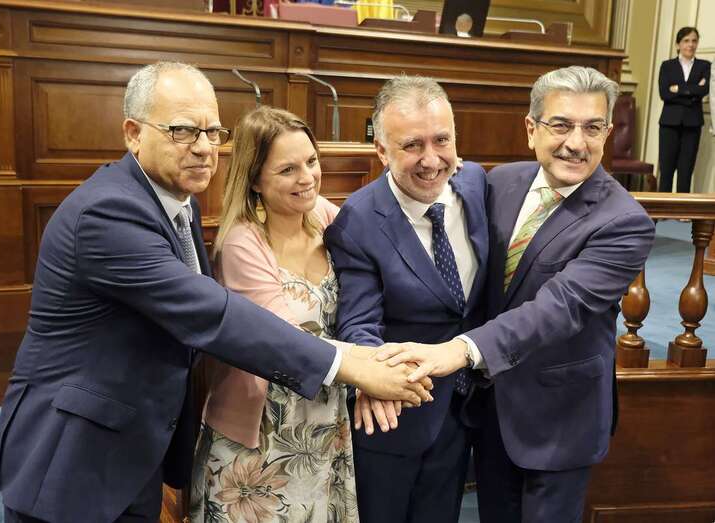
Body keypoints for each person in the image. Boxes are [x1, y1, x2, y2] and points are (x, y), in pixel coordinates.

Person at [0, 62, 432, 523]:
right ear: (133, 133)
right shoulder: (108, 213)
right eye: (182, 131)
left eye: (212, 131)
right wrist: (351, 364)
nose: (204, 148)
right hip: (72, 458)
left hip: (135, 449)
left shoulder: (178, 203)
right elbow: (214, 316)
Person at [376, 66, 656, 522]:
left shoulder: (624, 222)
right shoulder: (497, 181)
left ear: (608, 132)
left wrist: (462, 351)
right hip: (490, 411)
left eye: (593, 127)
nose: (577, 143)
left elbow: (558, 308)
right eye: (561, 125)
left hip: (559, 421)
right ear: (531, 129)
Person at [324, 76, 488, 523]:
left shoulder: (474, 184)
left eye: (442, 140)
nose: (432, 160)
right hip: (398, 417)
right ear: (382, 151)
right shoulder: (358, 220)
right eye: (413, 145)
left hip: (467, 408)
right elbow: (358, 321)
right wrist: (374, 376)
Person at [190, 106, 359, 522]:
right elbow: (290, 341)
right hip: (263, 437)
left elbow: (379, 248)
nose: (307, 178)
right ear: (254, 180)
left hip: (323, 422)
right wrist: (375, 369)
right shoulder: (242, 243)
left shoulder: (323, 216)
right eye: (287, 170)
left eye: (312, 162)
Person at [658, 26, 711, 193]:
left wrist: (678, 89)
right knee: (666, 172)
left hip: (692, 124)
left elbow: (704, 90)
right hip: (669, 124)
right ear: (678, 44)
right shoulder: (667, 66)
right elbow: (664, 93)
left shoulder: (705, 66)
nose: (691, 44)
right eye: (686, 40)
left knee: (686, 171)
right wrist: (692, 90)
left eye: (694, 41)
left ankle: (681, 216)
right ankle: (661, 214)